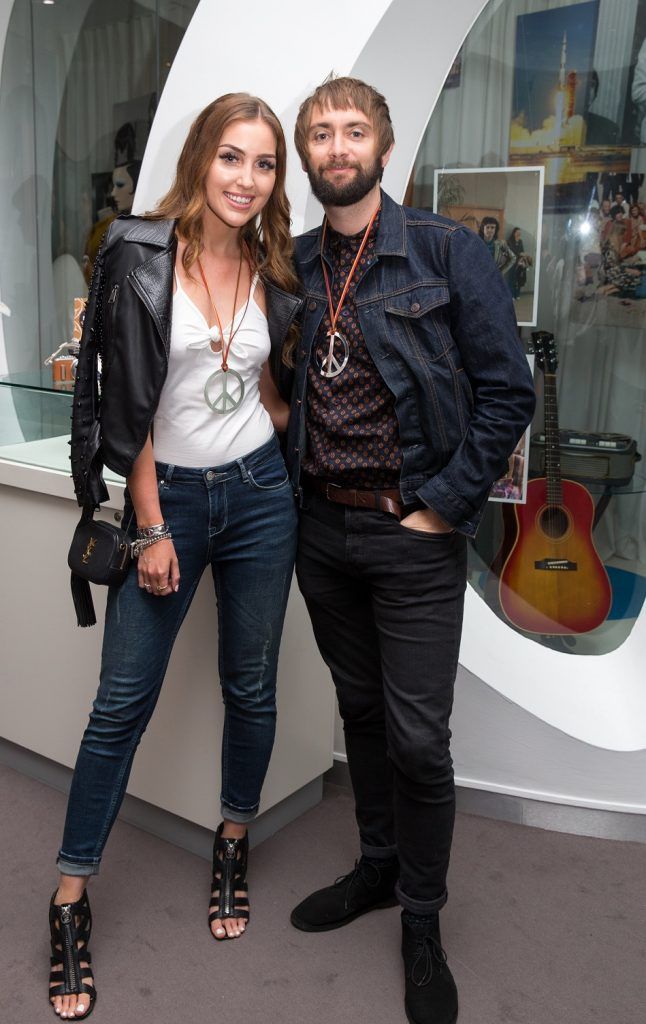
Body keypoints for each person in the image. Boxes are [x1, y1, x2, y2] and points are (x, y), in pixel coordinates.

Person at [285, 77, 536, 1024]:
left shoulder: (445, 251)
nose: (336, 146)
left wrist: (440, 506)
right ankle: (378, 869)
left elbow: (508, 393)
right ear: (307, 155)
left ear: (385, 146)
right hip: (321, 528)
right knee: (360, 712)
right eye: (320, 132)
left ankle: (421, 921)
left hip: (411, 531)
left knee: (419, 740)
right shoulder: (296, 263)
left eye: (354, 131)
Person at [48, 93, 301, 1020]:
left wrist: (277, 430)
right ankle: (70, 897)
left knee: (253, 685)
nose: (246, 179)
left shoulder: (276, 263)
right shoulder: (140, 252)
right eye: (232, 157)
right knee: (120, 704)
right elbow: (129, 401)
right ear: (202, 159)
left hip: (262, 496)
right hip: (175, 506)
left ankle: (233, 839)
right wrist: (150, 525)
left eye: (265, 165)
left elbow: (273, 389)